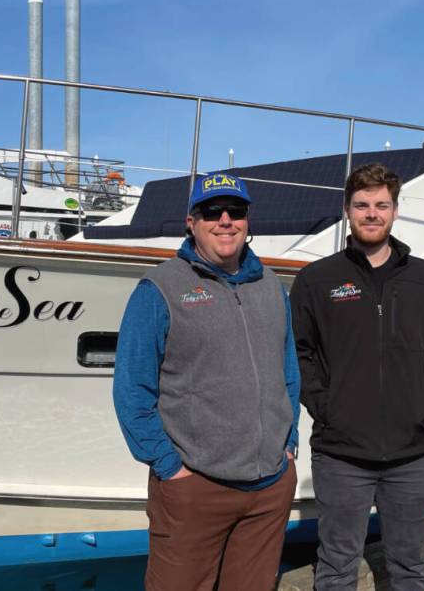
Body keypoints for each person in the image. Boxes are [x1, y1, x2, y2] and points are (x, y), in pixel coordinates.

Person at [113, 171, 300, 591]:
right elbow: (131, 390)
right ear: (191, 221)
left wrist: (289, 444)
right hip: (195, 487)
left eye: (236, 211)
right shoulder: (160, 289)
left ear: (248, 221)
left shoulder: (271, 287)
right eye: (212, 211)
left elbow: (287, 370)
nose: (225, 220)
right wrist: (169, 467)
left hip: (269, 489)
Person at [290, 163, 424, 590]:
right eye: (362, 205)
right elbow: (299, 352)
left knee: (411, 568)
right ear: (348, 210)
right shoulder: (317, 280)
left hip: (412, 453)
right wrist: (326, 406)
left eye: (381, 205)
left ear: (395, 211)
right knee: (336, 569)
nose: (372, 213)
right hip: (341, 453)